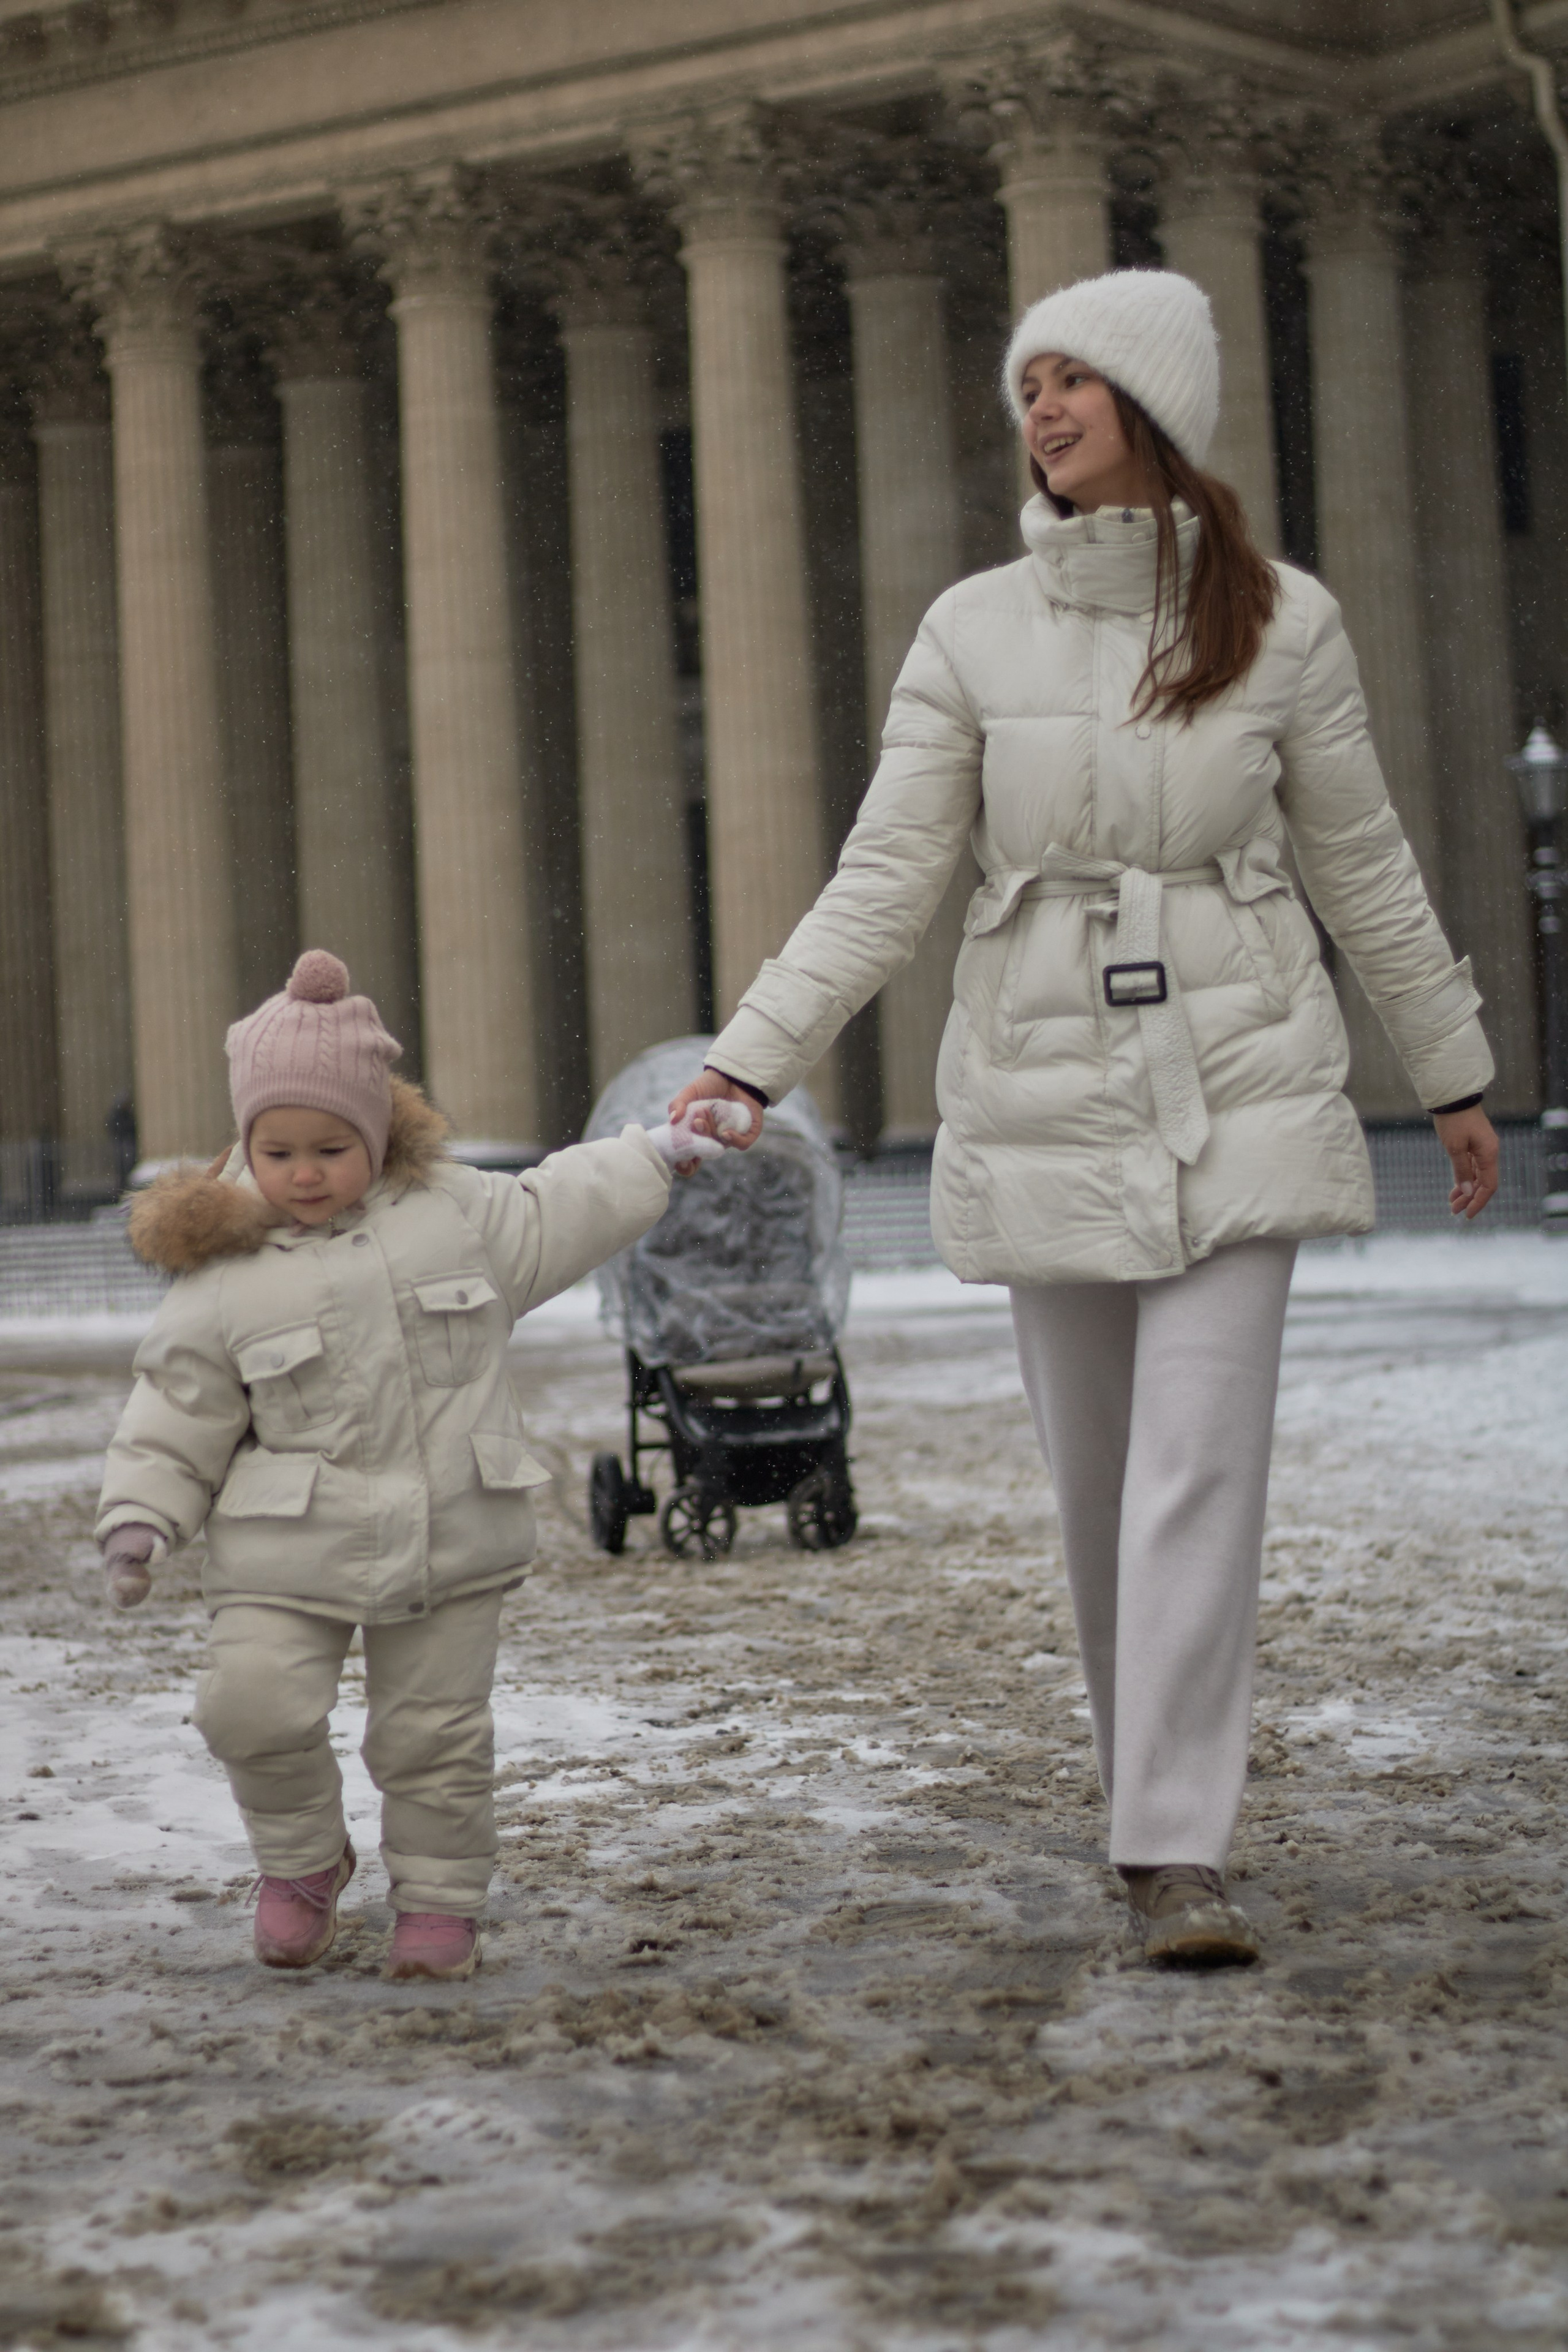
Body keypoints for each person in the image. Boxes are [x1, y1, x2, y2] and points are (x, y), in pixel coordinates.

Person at [671, 268, 1498, 1967]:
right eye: (1025, 386)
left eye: (1073, 383)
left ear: (1155, 409)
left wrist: (1455, 1072)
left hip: (1244, 1077)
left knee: (1198, 1473)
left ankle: (1174, 1848)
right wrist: (755, 1056)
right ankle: (1153, 1804)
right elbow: (889, 873)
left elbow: (1363, 861)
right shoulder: (971, 629)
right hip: (1041, 1082)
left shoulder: (1287, 622)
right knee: (1105, 1487)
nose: (1039, 412)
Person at [96, 949, 734, 1981]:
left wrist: (658, 1151)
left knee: (433, 1738)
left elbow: (560, 1203)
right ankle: (302, 1864)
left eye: (332, 1147)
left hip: (450, 1523)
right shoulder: (222, 1274)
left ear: (380, 1133)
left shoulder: (458, 1215)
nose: (304, 1172)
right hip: (282, 1542)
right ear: (244, 1146)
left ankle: (438, 1904)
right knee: (248, 1703)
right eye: (278, 1150)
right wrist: (140, 1519)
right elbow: (175, 1408)